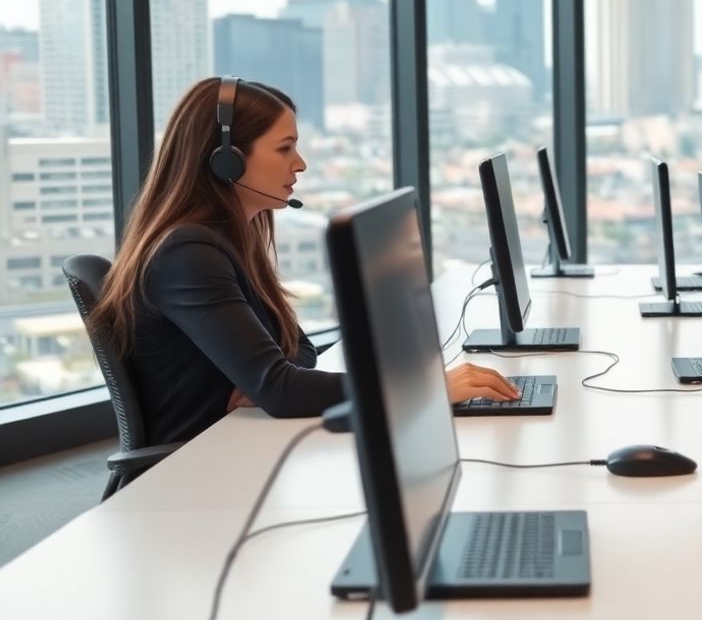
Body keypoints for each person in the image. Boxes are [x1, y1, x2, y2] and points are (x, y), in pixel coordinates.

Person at [90, 76, 519, 446]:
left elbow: (300, 350)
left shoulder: (232, 238)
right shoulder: (187, 255)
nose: (300, 164)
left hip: (243, 443)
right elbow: (281, 388)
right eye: (284, 148)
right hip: (198, 471)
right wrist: (422, 388)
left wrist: (271, 382)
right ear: (226, 161)